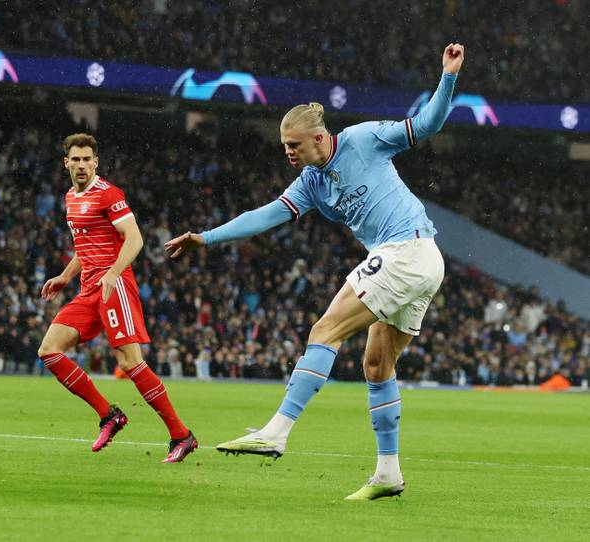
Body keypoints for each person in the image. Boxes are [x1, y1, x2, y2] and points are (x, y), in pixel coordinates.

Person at [165, 44, 465, 498]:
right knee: (377, 365)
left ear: (320, 139)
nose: (287, 152)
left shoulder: (365, 139)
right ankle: (388, 473)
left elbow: (428, 125)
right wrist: (206, 237)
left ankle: (277, 431)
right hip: (422, 262)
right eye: (284, 145)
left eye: (294, 145)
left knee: (325, 329)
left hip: (408, 249)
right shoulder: (311, 182)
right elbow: (265, 215)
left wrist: (447, 77)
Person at [38, 133, 197, 463]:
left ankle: (181, 435)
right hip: (88, 288)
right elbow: (87, 246)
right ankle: (109, 414)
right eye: (75, 159)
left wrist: (112, 273)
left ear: (95, 162)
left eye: (87, 159)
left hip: (115, 286)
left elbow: (134, 239)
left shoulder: (108, 194)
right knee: (49, 350)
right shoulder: (71, 197)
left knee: (129, 363)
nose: (81, 165)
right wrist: (65, 276)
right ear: (66, 162)